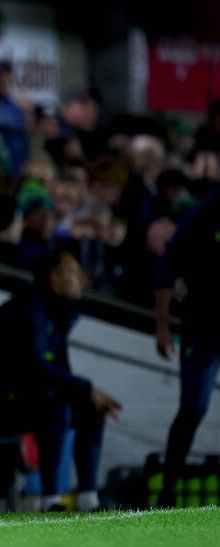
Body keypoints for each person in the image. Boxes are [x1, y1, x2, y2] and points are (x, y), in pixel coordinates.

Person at [0, 250, 122, 511]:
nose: (79, 278)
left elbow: (59, 367)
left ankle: (88, 499)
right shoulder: (30, 307)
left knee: (90, 407)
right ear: (53, 277)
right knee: (55, 406)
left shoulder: (60, 312)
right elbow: (35, 365)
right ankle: (50, 501)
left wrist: (86, 394)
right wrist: (86, 388)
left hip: (25, 396)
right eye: (72, 271)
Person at [155, 187, 220, 507]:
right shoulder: (202, 217)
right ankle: (169, 488)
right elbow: (167, 268)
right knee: (193, 408)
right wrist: (163, 325)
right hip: (203, 328)